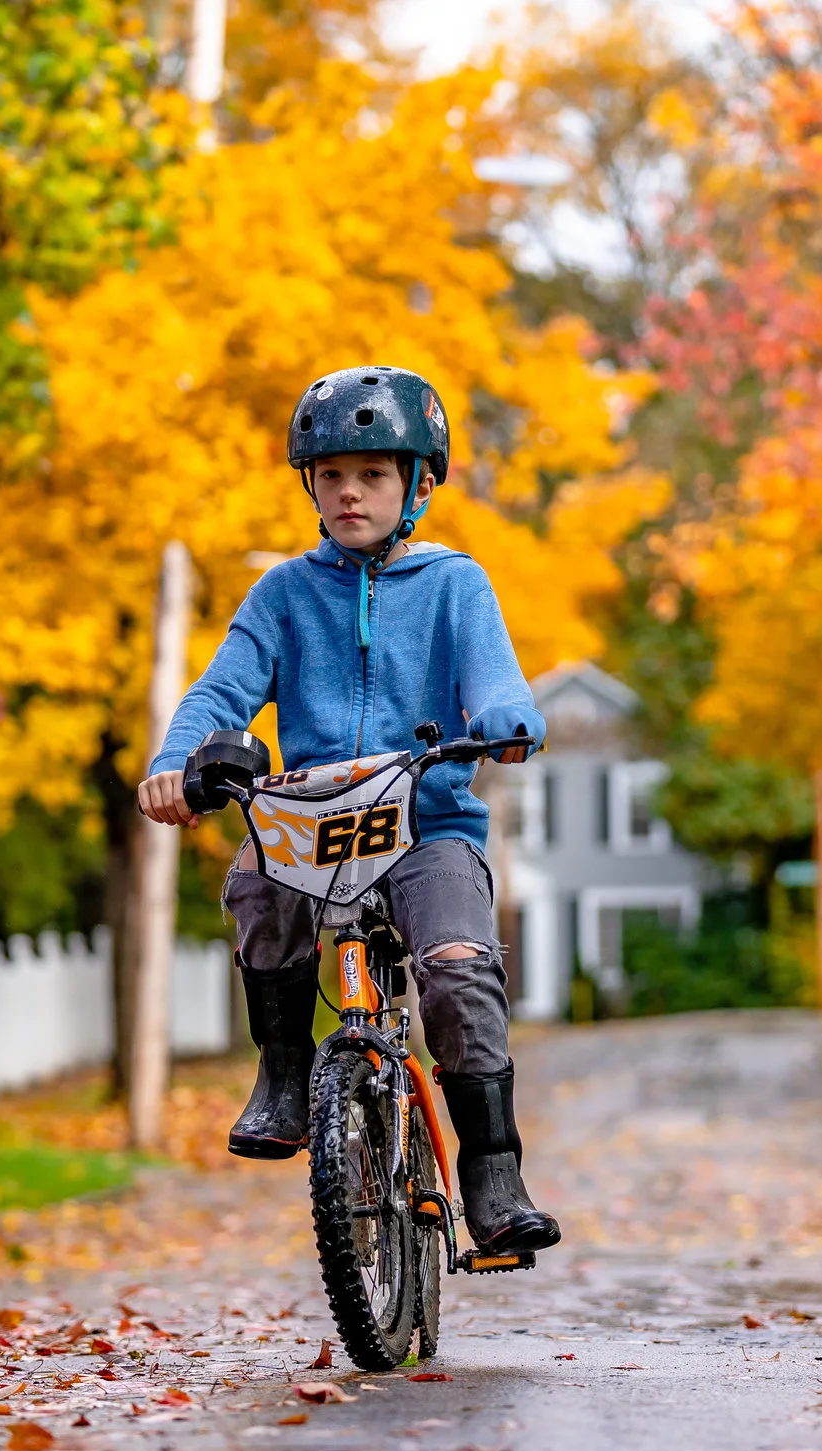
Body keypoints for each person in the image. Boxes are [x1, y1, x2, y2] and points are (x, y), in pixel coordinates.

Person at [137, 365, 562, 1258]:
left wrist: (504, 717)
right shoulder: (284, 595)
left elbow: (493, 676)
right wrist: (178, 762)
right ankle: (286, 1075)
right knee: (254, 879)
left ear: (420, 485)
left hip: (426, 823)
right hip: (314, 819)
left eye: (372, 473)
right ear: (310, 488)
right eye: (330, 475)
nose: (348, 491)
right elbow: (220, 693)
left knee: (456, 962)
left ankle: (492, 1170)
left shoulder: (457, 585)